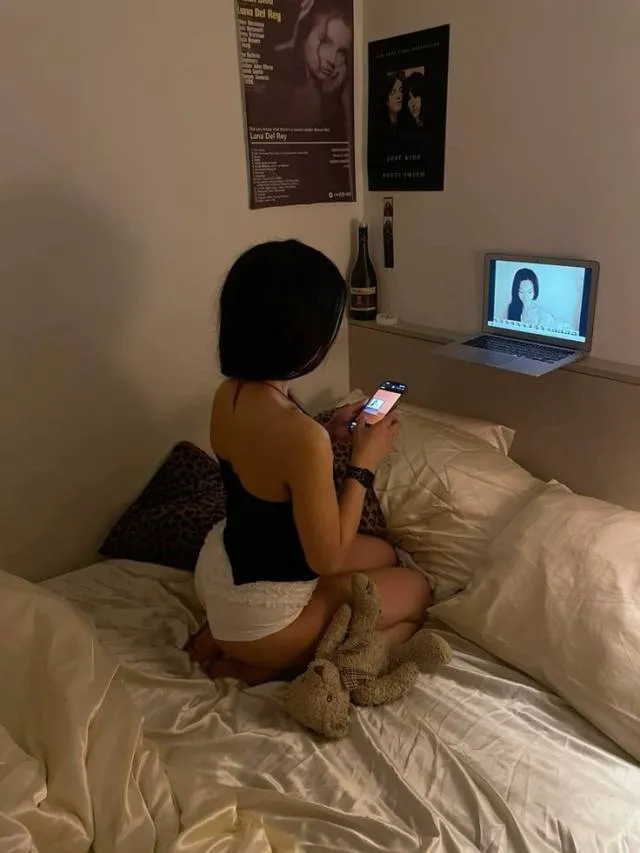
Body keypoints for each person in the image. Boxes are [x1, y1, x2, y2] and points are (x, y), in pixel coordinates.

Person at [188, 240, 432, 685]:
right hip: (261, 618)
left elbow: (269, 459)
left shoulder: (230, 394)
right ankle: (260, 664)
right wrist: (363, 462)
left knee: (383, 553)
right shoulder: (302, 438)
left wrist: (327, 428)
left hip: (227, 568)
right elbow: (328, 558)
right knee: (416, 593)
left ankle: (227, 639)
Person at [260, 0, 353, 129]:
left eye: (341, 52)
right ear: (305, 33)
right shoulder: (273, 72)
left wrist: (331, 96)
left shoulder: (337, 88)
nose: (332, 60)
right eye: (325, 42)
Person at [506, 268, 574, 333]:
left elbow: (564, 327)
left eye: (529, 292)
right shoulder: (512, 308)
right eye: (521, 291)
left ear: (535, 291)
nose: (525, 296)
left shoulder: (542, 314)